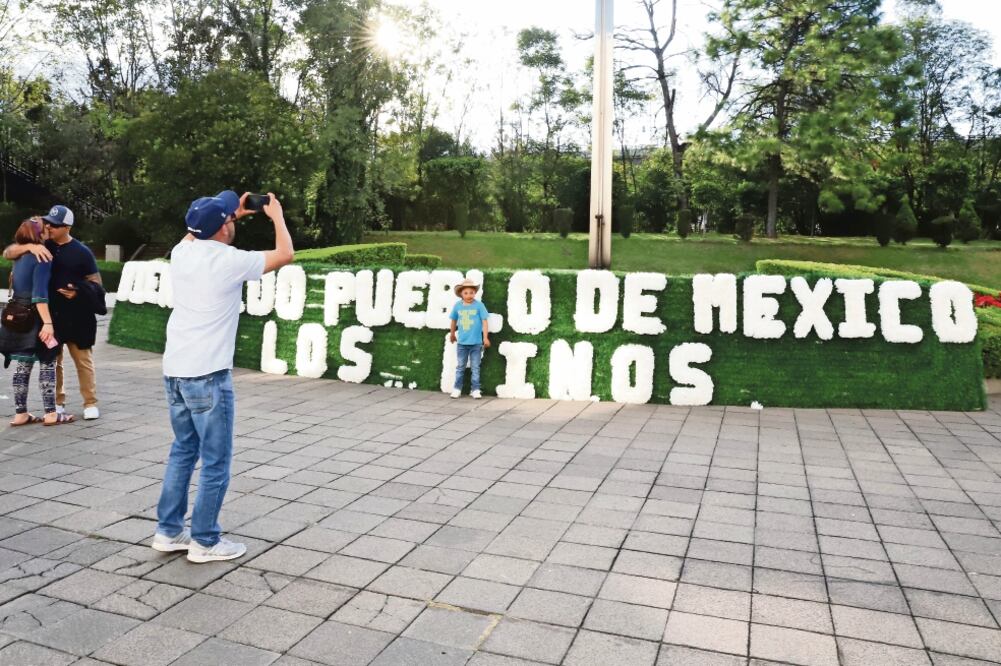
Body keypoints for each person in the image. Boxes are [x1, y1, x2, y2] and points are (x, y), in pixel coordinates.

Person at [152, 190, 293, 563]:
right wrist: (275, 216)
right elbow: (284, 255)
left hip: (175, 373)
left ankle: (168, 532)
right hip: (208, 376)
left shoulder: (182, 252)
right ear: (223, 228)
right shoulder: (228, 261)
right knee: (216, 460)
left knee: (183, 451)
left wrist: (232, 215)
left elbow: (197, 232)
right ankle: (205, 541)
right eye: (229, 219)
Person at [3, 205, 104, 420]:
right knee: (53, 361)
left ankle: (90, 402)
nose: (49, 226)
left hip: (78, 317)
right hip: (50, 317)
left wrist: (78, 292)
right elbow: (8, 252)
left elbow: (97, 285)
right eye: (48, 222)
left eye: (55, 225)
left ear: (67, 227)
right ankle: (58, 403)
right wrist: (29, 247)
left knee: (83, 361)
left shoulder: (82, 252)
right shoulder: (41, 245)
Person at [0, 218, 73, 426]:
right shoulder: (42, 256)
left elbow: (9, 253)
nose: (48, 228)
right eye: (44, 227)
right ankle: (51, 413)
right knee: (47, 362)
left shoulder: (20, 255)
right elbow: (39, 295)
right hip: (36, 317)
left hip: (18, 314)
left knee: (23, 364)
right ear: (38, 234)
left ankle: (20, 413)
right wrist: (48, 324)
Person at [449, 278, 490, 399]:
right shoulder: (457, 306)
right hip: (462, 343)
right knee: (460, 367)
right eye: (466, 293)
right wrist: (452, 334)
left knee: (475, 367)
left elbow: (484, 321)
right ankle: (457, 388)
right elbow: (453, 320)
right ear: (461, 294)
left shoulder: (479, 305)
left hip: (476, 343)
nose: (469, 295)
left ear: (475, 293)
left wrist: (485, 337)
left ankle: (475, 389)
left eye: (471, 292)